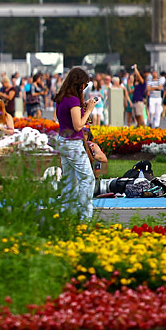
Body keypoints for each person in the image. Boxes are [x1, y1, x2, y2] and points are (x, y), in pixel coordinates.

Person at [52, 67, 97, 219]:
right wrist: (89, 110)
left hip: (63, 141)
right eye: (84, 84)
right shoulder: (73, 100)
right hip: (73, 143)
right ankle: (85, 216)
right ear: (79, 84)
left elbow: (67, 120)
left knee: (70, 181)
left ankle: (66, 215)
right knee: (87, 178)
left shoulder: (62, 98)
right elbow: (78, 126)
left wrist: (83, 108)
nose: (84, 88)